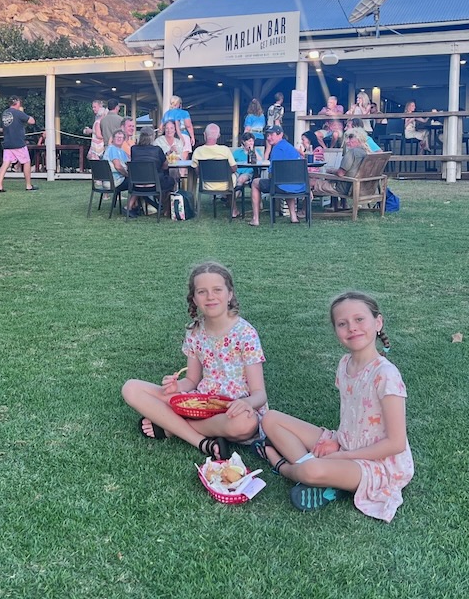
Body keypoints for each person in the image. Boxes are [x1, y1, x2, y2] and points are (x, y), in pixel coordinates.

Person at [258, 291, 413, 518]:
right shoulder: (345, 364)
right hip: (346, 444)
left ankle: (285, 468)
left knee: (312, 469)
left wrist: (342, 457)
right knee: (270, 419)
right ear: (336, 331)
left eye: (359, 319)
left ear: (378, 322)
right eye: (342, 323)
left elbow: (396, 444)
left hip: (379, 464)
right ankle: (329, 478)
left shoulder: (386, 374)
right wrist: (337, 442)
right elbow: (353, 418)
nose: (352, 328)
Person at [121, 261, 268, 461]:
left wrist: (245, 403)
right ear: (194, 298)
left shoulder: (246, 333)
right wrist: (176, 387)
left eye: (217, 290)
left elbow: (260, 394)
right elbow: (191, 380)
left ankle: (171, 427)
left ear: (230, 294)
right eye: (202, 292)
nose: (210, 296)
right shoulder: (195, 331)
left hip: (233, 410)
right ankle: (203, 442)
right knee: (131, 388)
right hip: (199, 405)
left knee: (245, 424)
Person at [250, 125, 305, 226]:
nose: (268, 138)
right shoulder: (291, 148)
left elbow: (272, 173)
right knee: (287, 181)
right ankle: (293, 217)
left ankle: (255, 219)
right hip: (297, 186)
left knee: (255, 182)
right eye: (267, 135)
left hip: (281, 186)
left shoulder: (276, 149)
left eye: (271, 135)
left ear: (280, 135)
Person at [311, 127, 371, 205]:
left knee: (310, 182)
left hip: (346, 188)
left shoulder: (352, 153)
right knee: (331, 179)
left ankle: (304, 210)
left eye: (350, 138)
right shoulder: (366, 152)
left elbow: (340, 173)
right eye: (347, 138)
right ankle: (340, 205)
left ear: (359, 139)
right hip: (362, 187)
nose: (347, 141)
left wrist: (330, 170)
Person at [190, 123, 239, 217]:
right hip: (226, 185)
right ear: (218, 135)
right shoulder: (225, 150)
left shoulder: (198, 151)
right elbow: (234, 168)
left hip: (206, 186)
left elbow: (197, 171)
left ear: (204, 134)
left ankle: (194, 207)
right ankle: (234, 210)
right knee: (232, 177)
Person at [126, 128, 174, 217]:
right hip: (154, 185)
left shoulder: (134, 149)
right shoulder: (157, 150)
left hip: (137, 185)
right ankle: (167, 208)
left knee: (146, 179)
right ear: (152, 137)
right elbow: (165, 166)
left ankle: (129, 207)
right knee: (170, 181)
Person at [0, 96, 37, 192]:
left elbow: (1, 129)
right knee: (26, 162)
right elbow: (32, 121)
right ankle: (28, 185)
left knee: (5, 163)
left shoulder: (5, 113)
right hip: (18, 143)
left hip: (7, 143)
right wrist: (23, 114)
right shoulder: (18, 113)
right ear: (17, 103)